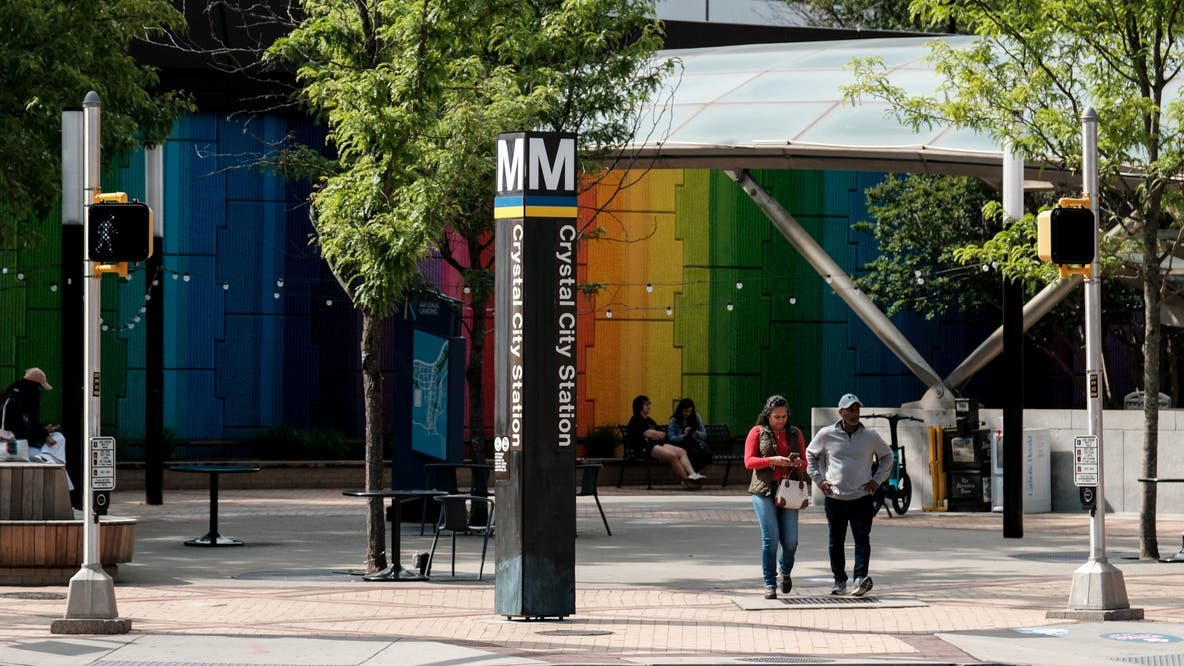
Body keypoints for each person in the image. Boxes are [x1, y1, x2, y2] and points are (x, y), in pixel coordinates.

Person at [806, 392, 892, 597]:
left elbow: (887, 456)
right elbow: (810, 454)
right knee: (836, 540)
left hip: (861, 498)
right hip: (835, 498)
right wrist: (819, 480)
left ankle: (861, 578)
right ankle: (839, 581)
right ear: (841, 412)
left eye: (857, 409)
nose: (855, 413)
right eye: (851, 409)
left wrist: (877, 480)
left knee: (862, 538)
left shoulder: (871, 436)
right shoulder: (826, 434)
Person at [744, 394, 807, 599]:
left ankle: (785, 571)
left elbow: (805, 462)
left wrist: (797, 464)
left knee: (790, 542)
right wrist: (772, 459)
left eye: (784, 416)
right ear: (768, 416)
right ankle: (769, 583)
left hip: (788, 490)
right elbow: (749, 461)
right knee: (771, 538)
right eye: (776, 417)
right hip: (763, 490)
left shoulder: (795, 433)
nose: (781, 421)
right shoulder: (757, 432)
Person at [1, 368, 71, 489]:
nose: (40, 391)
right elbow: (23, 432)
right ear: (34, 386)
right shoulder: (20, 402)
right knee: (58, 442)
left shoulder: (10, 396)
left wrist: (45, 432)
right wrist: (44, 433)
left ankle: (46, 458)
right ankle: (45, 458)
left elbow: (28, 427)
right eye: (39, 387)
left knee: (57, 440)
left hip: (19, 443)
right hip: (17, 448)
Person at [627, 395, 704, 489]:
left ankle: (692, 475)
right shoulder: (636, 420)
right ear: (639, 406)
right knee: (672, 456)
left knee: (682, 451)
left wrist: (658, 434)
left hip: (656, 445)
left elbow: (662, 434)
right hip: (645, 448)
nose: (649, 406)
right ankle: (687, 481)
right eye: (646, 404)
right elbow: (651, 434)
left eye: (649, 403)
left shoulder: (649, 420)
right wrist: (657, 434)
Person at [666, 398, 713, 473]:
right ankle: (691, 475)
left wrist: (697, 433)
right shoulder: (674, 420)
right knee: (692, 453)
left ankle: (691, 475)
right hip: (681, 444)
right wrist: (683, 435)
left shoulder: (696, 417)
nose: (688, 414)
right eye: (685, 411)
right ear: (681, 410)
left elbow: (704, 434)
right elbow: (671, 438)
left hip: (694, 442)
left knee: (707, 455)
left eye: (690, 411)